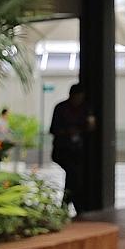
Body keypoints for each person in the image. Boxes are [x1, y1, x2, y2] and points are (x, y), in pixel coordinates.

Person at [48, 83, 95, 214]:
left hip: (78, 150)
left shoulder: (86, 108)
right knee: (74, 175)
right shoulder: (61, 108)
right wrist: (68, 131)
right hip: (64, 150)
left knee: (73, 177)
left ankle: (67, 206)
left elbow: (91, 127)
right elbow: (54, 129)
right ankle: (75, 207)